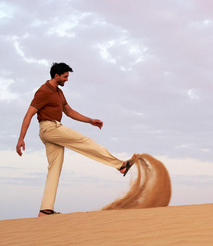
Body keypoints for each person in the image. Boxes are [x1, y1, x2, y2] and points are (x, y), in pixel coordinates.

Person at [16, 62, 136, 217]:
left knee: (54, 169)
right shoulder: (43, 91)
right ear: (56, 75)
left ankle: (45, 210)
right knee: (85, 142)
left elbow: (69, 111)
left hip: (51, 131)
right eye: (65, 76)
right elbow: (29, 114)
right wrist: (21, 139)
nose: (67, 79)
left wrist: (90, 120)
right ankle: (121, 166)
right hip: (50, 128)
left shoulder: (58, 92)